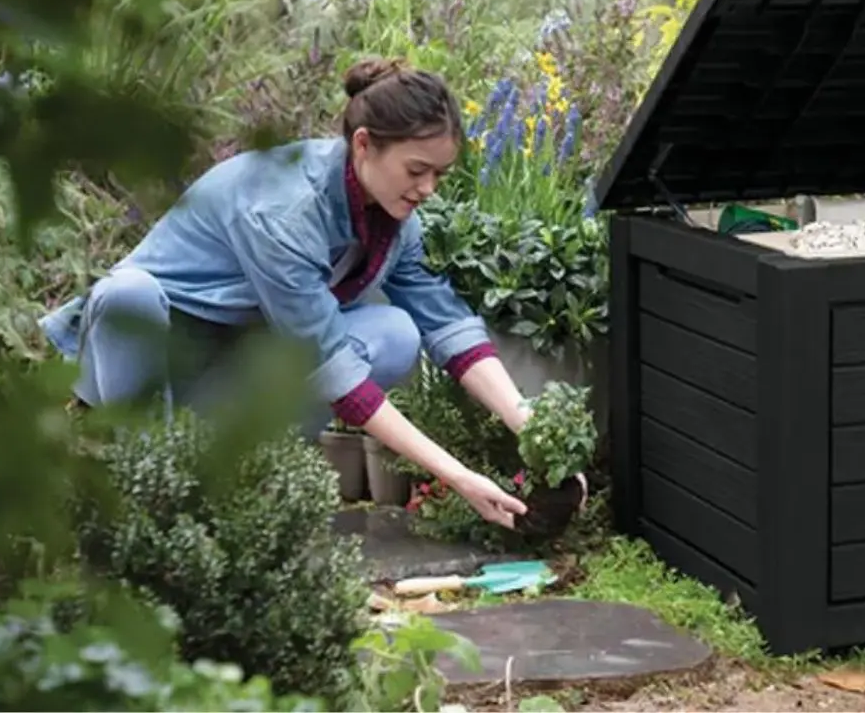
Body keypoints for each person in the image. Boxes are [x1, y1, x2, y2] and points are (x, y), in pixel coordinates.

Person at [41, 57, 544, 528]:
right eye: (417, 170)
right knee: (129, 294)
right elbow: (332, 371)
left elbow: (446, 324)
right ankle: (143, 489)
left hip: (228, 372)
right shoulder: (285, 211)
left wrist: (535, 429)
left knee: (394, 332)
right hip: (157, 367)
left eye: (440, 174)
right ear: (364, 145)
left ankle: (234, 478)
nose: (429, 188)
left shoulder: (393, 216)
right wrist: (456, 477)